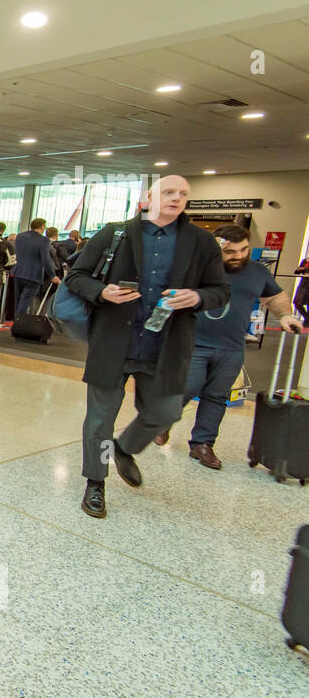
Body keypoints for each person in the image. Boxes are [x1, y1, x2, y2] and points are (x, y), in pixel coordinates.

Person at [64, 175, 230, 519]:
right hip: (113, 341)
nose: (177, 198)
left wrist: (197, 296)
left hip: (165, 345)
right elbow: (77, 276)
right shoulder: (116, 233)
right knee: (99, 420)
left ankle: (124, 448)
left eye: (184, 194)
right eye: (169, 192)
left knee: (166, 411)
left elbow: (220, 290)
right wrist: (102, 292)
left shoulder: (201, 242)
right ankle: (95, 482)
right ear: (149, 197)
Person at [154, 225, 304, 468]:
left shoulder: (257, 271)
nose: (239, 256)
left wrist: (285, 314)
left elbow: (274, 297)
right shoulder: (196, 269)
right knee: (184, 388)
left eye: (244, 249)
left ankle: (202, 444)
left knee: (217, 396)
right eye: (230, 251)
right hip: (193, 343)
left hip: (231, 348)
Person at [13, 217, 57, 317]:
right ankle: (20, 323)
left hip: (18, 271)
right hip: (33, 274)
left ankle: (16, 322)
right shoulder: (44, 240)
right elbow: (45, 259)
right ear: (42, 226)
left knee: (18, 300)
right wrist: (52, 276)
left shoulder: (20, 236)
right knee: (25, 300)